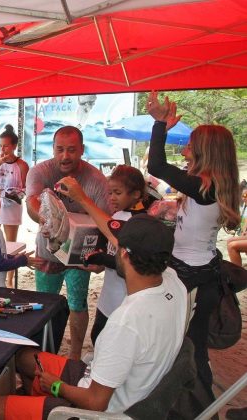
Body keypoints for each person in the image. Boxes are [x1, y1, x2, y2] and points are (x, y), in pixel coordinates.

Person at [0, 214, 188, 420]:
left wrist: (56, 386)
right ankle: (27, 406)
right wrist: (104, 259)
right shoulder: (174, 282)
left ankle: (31, 407)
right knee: (23, 357)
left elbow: (95, 402)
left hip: (97, 411)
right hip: (117, 385)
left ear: (124, 253)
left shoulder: (126, 323)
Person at [146, 91, 241, 403]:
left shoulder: (205, 187)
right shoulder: (212, 184)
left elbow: (157, 165)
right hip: (200, 270)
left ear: (204, 151)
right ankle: (191, 401)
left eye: (190, 144)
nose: (184, 148)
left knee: (190, 347)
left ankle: (197, 405)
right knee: (187, 344)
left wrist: (160, 126)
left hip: (192, 277)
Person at [26, 125, 110, 360]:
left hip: (79, 255)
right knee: (44, 303)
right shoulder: (40, 172)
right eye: (60, 149)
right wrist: (46, 219)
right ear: (52, 149)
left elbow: (106, 221)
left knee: (78, 303)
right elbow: (31, 201)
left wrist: (101, 256)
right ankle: (43, 352)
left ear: (82, 150)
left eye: (72, 150)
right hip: (48, 251)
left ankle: (74, 357)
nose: (65, 156)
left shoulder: (95, 180)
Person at [56, 165, 147, 345]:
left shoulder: (140, 223)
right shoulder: (118, 215)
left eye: (117, 193)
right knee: (97, 337)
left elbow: (128, 261)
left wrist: (100, 259)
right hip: (108, 298)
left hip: (124, 302)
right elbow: (105, 257)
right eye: (110, 192)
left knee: (112, 343)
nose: (112, 198)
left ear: (136, 194)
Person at [0, 124, 30, 287]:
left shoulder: (22, 165)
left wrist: (16, 194)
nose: (3, 149)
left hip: (12, 206)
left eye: (6, 146)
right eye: (1, 145)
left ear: (14, 146)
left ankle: (10, 279)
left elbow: (25, 189)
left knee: (10, 245)